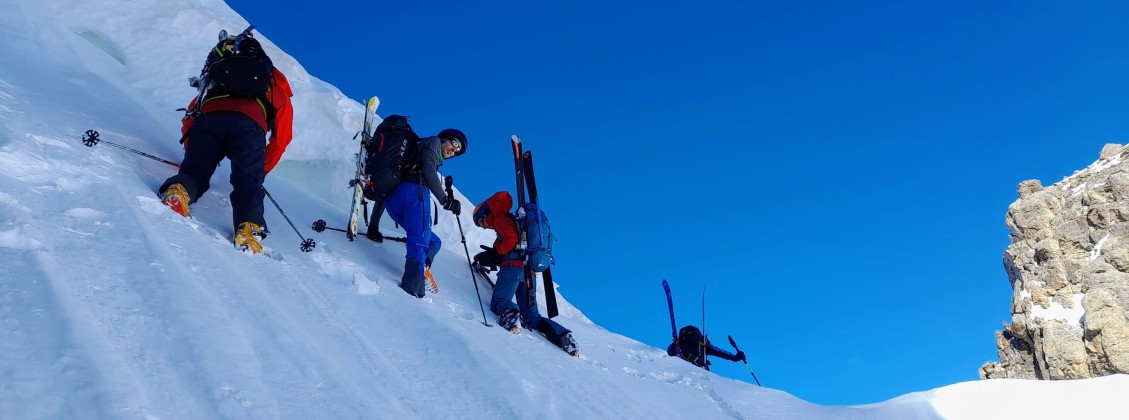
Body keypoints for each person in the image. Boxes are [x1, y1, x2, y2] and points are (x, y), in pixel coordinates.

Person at [158, 29, 294, 254]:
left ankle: (179, 189)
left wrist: (192, 152)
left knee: (196, 171)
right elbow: (283, 137)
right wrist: (260, 171)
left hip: (210, 117)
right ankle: (248, 228)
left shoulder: (219, 74)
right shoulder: (271, 80)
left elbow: (192, 114)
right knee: (247, 182)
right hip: (250, 126)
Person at [473, 191, 580, 356]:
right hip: (529, 272)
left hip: (512, 267)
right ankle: (563, 337)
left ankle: (511, 317)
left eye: (481, 222)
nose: (484, 226)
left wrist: (498, 252)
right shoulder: (514, 221)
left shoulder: (501, 219)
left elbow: (511, 241)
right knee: (531, 316)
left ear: (487, 212)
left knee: (500, 300)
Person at [385, 127, 466, 297]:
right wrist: (446, 201)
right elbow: (429, 169)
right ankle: (413, 286)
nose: (454, 150)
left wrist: (373, 226)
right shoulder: (434, 142)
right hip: (415, 194)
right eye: (454, 143)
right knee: (420, 239)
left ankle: (424, 266)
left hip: (394, 201)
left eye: (457, 151)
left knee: (433, 242)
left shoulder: (419, 148)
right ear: (445, 138)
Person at [667, 325, 745, 370]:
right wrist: (735, 357)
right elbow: (719, 352)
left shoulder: (679, 345)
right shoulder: (703, 345)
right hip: (701, 371)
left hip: (684, 373)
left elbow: (669, 352)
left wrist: (674, 345)